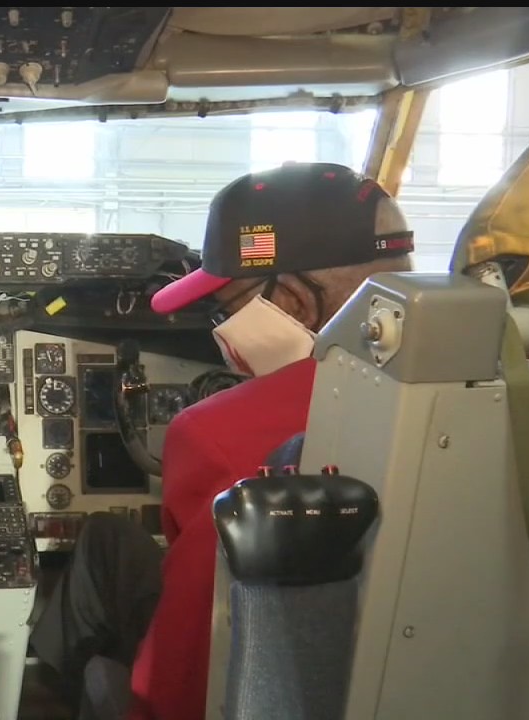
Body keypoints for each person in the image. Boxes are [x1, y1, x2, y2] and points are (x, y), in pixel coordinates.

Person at [29, 162, 415, 720]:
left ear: (293, 301)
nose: (223, 335)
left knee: (97, 663)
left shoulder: (219, 437)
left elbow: (180, 683)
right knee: (107, 540)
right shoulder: (519, 394)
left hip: (278, 679)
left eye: (227, 308)